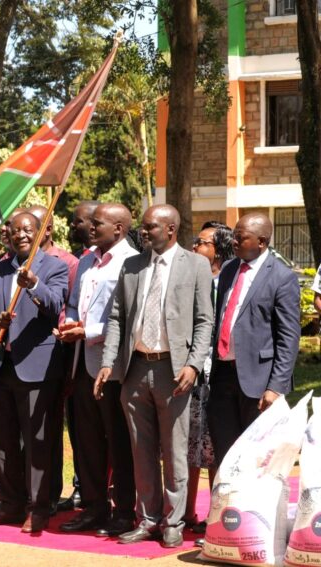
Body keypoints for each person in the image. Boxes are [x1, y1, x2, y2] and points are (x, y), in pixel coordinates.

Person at [97, 204, 214, 548]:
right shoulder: (132, 265)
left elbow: (204, 320)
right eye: (143, 227)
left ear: (171, 229)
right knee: (141, 450)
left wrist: (193, 365)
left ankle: (173, 521)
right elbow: (116, 317)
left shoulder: (195, 265)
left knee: (174, 450)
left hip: (173, 371)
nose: (143, 232)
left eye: (150, 227)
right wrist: (108, 362)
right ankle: (147, 519)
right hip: (135, 369)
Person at [0, 212, 69, 535]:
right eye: (16, 230)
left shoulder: (54, 267)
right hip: (2, 367)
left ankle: (38, 508)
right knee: (1, 443)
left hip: (37, 368)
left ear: (40, 232)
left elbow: (55, 306)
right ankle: (10, 504)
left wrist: (33, 285)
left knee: (37, 444)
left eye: (28, 230)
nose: (22, 235)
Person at [57, 203, 139, 536]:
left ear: (118, 228)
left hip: (114, 368)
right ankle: (93, 508)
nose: (91, 228)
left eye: (98, 223)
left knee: (118, 443)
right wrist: (69, 322)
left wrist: (86, 331)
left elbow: (128, 318)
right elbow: (76, 304)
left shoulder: (131, 263)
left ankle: (124, 512)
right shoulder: (87, 261)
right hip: (81, 364)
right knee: (87, 442)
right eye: (90, 223)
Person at [207, 213, 300, 471]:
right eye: (234, 236)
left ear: (261, 242)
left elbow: (288, 336)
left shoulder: (282, 277)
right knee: (226, 454)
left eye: (241, 237)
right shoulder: (229, 269)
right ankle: (228, 498)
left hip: (258, 381)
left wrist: (276, 387)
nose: (234, 241)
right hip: (223, 375)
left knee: (256, 459)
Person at [28, 204, 80, 513]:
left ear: (46, 229)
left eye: (32, 226)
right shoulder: (12, 261)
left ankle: (51, 493)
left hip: (58, 351)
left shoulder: (67, 262)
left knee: (51, 426)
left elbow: (70, 305)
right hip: (22, 354)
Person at [185, 220, 234, 534]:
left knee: (216, 448)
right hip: (191, 374)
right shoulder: (190, 277)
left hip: (219, 376)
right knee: (189, 446)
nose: (195, 246)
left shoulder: (228, 283)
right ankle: (186, 512)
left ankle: (216, 516)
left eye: (202, 242)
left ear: (219, 250)